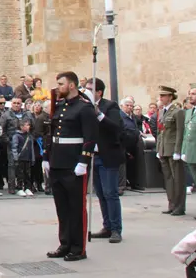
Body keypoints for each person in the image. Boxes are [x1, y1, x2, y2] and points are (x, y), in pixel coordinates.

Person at [43, 71, 98, 262]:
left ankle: (78, 248)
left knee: (76, 207)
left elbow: (90, 137)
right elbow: (51, 134)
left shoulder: (84, 109)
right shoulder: (60, 106)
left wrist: (84, 161)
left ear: (72, 85)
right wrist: (46, 157)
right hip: (58, 161)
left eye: (61, 84)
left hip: (74, 164)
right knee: (62, 208)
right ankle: (65, 243)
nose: (58, 87)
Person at [87, 79, 125, 243]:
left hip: (108, 155)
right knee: (101, 194)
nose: (86, 91)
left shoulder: (110, 106)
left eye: (89, 89)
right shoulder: (85, 107)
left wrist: (99, 115)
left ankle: (116, 228)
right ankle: (107, 226)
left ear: (99, 92)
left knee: (111, 193)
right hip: (93, 156)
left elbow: (115, 127)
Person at [157, 86, 186, 216]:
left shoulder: (177, 111)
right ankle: (172, 204)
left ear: (170, 97)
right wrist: (159, 148)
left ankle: (179, 206)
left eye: (163, 96)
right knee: (168, 179)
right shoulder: (163, 111)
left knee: (178, 179)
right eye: (160, 96)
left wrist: (178, 150)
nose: (161, 98)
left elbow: (180, 131)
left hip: (173, 149)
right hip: (164, 149)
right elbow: (160, 132)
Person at [12, 119, 36, 197]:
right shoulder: (17, 135)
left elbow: (31, 148)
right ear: (21, 126)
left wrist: (32, 158)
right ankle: (19, 188)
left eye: (28, 125)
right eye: (26, 125)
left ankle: (27, 187)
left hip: (28, 157)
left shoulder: (29, 136)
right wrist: (15, 157)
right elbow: (14, 147)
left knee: (28, 173)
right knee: (20, 174)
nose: (28, 127)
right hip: (20, 157)